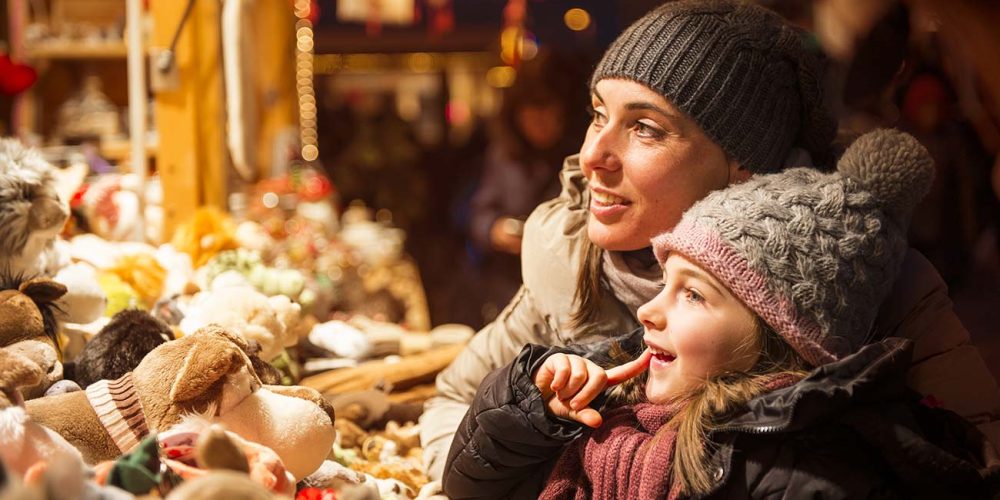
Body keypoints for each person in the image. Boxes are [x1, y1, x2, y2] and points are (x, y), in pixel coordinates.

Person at [419, 0, 1000, 480]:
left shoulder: (862, 273)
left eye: (645, 127)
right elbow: (454, 402)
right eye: (599, 114)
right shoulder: (570, 259)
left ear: (743, 166)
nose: (592, 154)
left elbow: (981, 460)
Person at [443, 129, 1000, 499]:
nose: (650, 313)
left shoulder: (801, 472)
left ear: (781, 333)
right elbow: (473, 488)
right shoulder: (621, 410)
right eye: (666, 283)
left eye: (693, 294)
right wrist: (535, 416)